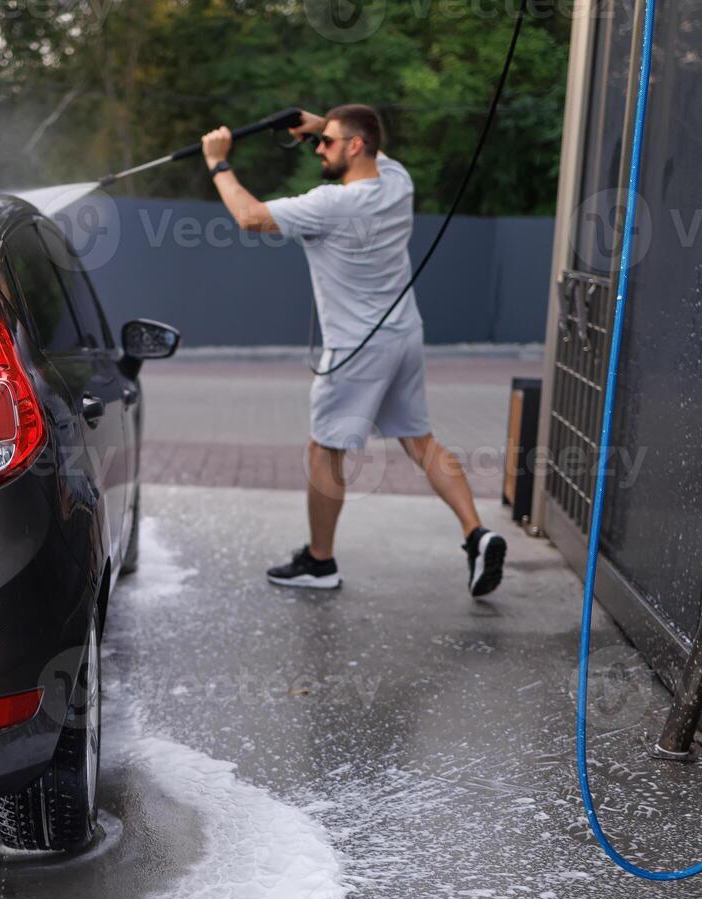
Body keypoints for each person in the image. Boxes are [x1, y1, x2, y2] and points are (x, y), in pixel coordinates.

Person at [199, 104, 506, 596]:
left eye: (327, 142)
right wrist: (321, 123)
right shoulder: (397, 182)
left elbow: (249, 216)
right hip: (403, 336)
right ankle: (477, 534)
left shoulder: (331, 204)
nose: (318, 148)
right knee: (419, 439)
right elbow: (369, 145)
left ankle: (320, 563)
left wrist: (218, 160)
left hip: (357, 349)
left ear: (355, 146)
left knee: (324, 448)